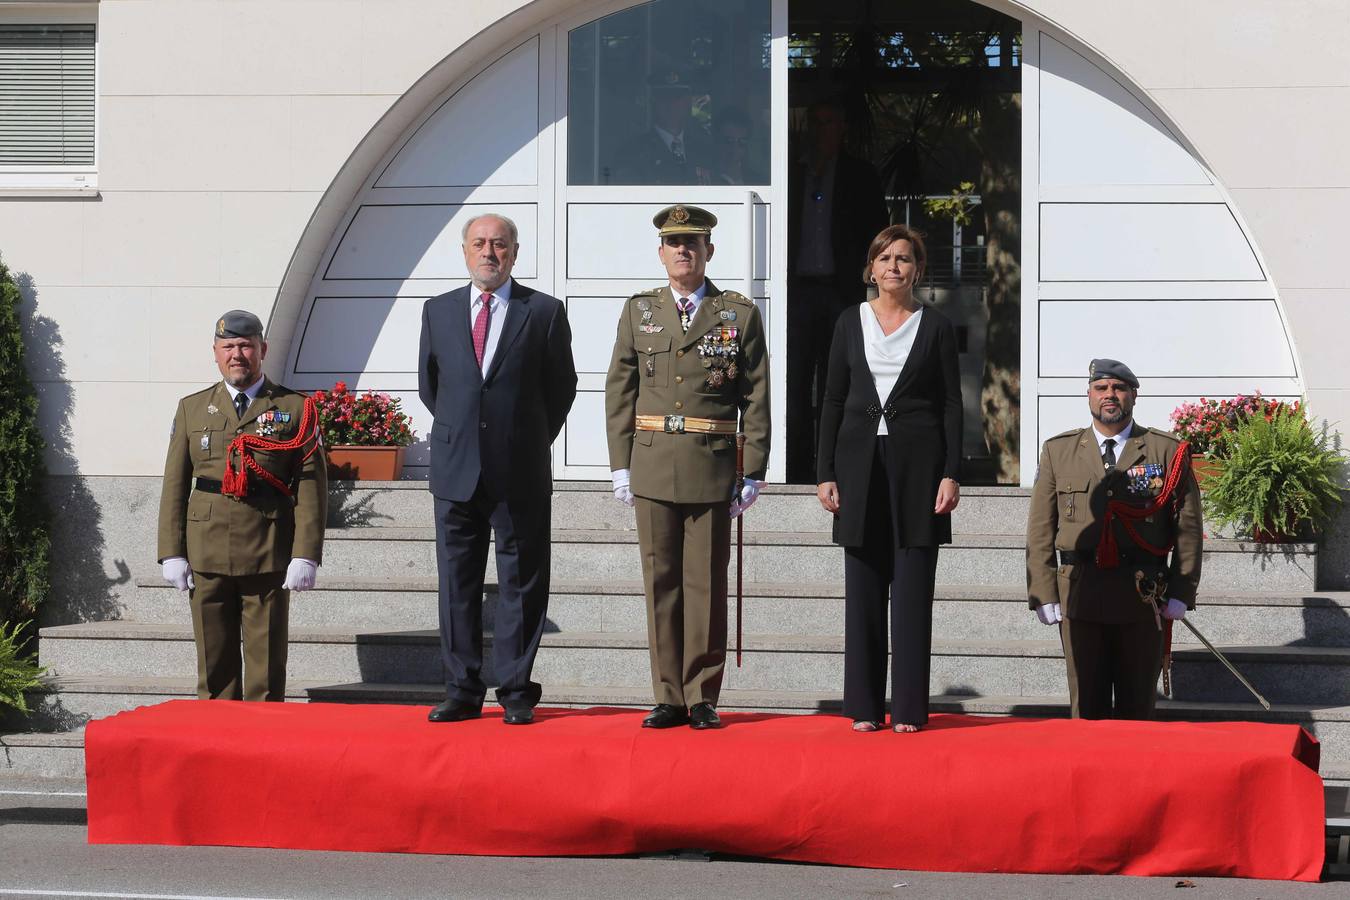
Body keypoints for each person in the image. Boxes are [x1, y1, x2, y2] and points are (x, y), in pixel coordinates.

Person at [605, 204, 770, 730]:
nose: (683, 251)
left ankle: (702, 694)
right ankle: (667, 695)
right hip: (652, 462)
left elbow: (757, 393)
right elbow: (620, 391)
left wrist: (756, 467)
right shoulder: (639, 311)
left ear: (708, 251)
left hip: (711, 464)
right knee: (661, 581)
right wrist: (619, 465)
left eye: (692, 243)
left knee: (705, 585)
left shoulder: (737, 313)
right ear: (661, 253)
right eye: (674, 243)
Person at [417, 213, 578, 725]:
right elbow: (432, 386)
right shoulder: (437, 311)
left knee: (522, 583)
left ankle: (514, 690)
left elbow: (561, 389)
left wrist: (524, 438)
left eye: (500, 245)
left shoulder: (545, 312)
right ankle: (461, 690)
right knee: (456, 583)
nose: (490, 252)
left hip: (520, 471)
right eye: (480, 244)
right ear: (465, 251)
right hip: (456, 468)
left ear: (514, 252)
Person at [816, 225, 962, 733]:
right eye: (885, 257)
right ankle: (862, 706)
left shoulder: (937, 326)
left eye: (904, 258)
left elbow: (950, 404)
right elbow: (832, 399)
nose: (894, 266)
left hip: (919, 470)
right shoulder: (847, 322)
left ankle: (907, 710)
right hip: (858, 466)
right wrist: (825, 473)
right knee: (864, 589)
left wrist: (951, 473)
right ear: (871, 268)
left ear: (918, 270)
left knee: (914, 588)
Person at [157, 310, 327, 702]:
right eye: (229, 346)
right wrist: (172, 552)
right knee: (214, 670)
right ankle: (217, 748)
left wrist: (306, 555)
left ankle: (260, 750)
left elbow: (311, 486)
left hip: (267, 548)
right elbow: (175, 484)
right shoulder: (192, 409)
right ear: (215, 353)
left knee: (266, 673)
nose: (238, 355)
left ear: (262, 349)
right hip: (207, 548)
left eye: (246, 346)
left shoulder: (296, 409)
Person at [1025, 359, 1203, 720]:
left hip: (1142, 594)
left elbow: (1188, 526)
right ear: (1088, 395)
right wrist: (1042, 591)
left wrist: (1183, 589)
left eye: (1119, 388)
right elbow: (1041, 528)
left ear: (1134, 396)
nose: (1110, 395)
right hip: (1080, 592)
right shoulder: (1059, 451)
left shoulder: (1164, 451)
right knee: (1086, 705)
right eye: (1101, 388)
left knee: (1137, 706)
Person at [787, 98, 890, 483]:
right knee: (795, 384)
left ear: (842, 126)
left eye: (828, 121)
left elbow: (878, 234)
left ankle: (833, 468)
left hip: (840, 292)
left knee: (838, 384)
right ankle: (795, 468)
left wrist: (871, 282)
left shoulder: (860, 175)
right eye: (814, 121)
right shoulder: (790, 174)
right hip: (796, 295)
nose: (820, 129)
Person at [613, 70, 714, 185]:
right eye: (664, 97)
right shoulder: (633, 154)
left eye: (677, 97)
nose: (671, 104)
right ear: (653, 102)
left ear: (687, 102)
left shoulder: (703, 150)